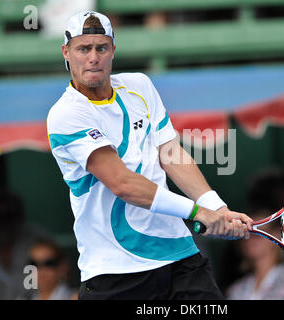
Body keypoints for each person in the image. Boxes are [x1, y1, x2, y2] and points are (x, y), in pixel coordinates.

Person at [46, 10, 252, 300]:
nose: (93, 57)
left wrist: (214, 206)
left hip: (180, 259)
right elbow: (123, 184)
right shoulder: (66, 114)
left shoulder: (140, 86)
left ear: (113, 50)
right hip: (114, 272)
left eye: (101, 48)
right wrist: (197, 212)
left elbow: (170, 154)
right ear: (66, 52)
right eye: (83, 49)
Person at [226, 169, 284, 300]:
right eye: (247, 233)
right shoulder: (236, 289)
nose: (251, 238)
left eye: (259, 232)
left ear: (275, 235)